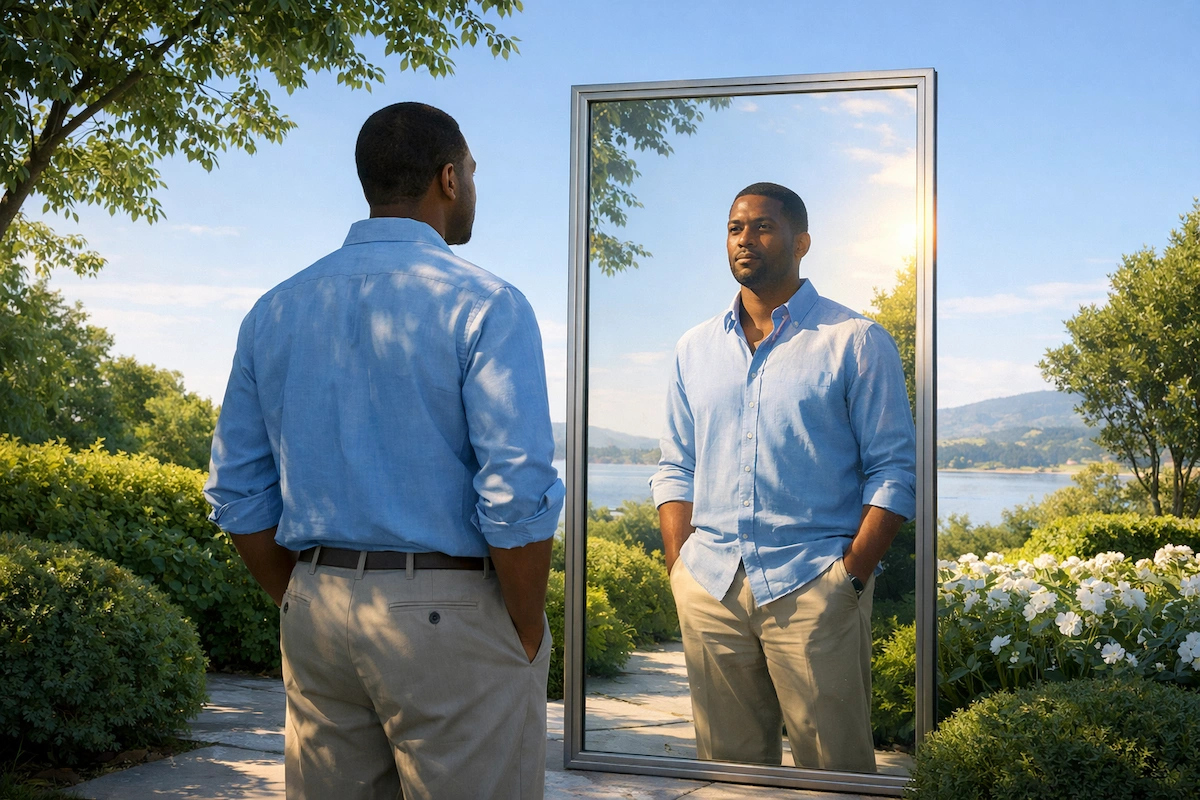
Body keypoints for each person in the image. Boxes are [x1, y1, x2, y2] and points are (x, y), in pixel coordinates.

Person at [204, 102, 564, 800]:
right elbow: (517, 490)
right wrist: (524, 627)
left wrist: (304, 593)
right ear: (449, 179)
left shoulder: (274, 309)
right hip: (451, 618)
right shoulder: (487, 303)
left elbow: (236, 490)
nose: (473, 187)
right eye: (472, 173)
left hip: (317, 612)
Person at [649, 182, 916, 772]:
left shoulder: (856, 341)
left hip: (813, 585)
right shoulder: (694, 348)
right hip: (711, 586)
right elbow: (676, 466)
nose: (745, 239)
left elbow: (894, 471)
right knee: (728, 778)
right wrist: (679, 567)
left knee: (836, 776)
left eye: (763, 226)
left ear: (802, 243)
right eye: (735, 227)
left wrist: (849, 578)